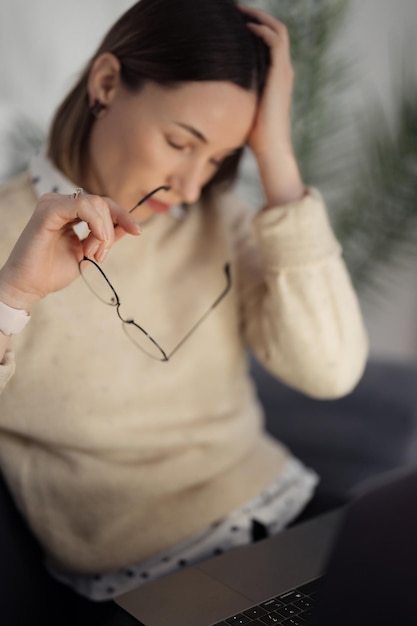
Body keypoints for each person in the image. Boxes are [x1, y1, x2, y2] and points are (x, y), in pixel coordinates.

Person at [0, 0, 368, 602]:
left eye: (221, 157)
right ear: (107, 84)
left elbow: (330, 371)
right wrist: (14, 295)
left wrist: (275, 155)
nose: (194, 185)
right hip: (161, 580)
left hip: (292, 517)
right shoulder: (5, 235)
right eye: (180, 141)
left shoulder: (218, 217)